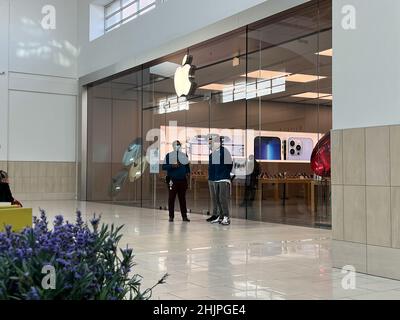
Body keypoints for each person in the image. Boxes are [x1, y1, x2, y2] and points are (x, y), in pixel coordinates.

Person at [207, 135, 233, 226]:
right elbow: (212, 168)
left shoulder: (224, 152)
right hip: (215, 179)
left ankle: (226, 216)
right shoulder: (213, 153)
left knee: (222, 198)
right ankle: (221, 216)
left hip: (223, 178)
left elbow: (229, 165)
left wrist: (225, 174)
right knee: (217, 198)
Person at [162, 140, 191, 222]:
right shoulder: (169, 155)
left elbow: (187, 166)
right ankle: (171, 216)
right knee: (171, 198)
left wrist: (188, 172)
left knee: (182, 198)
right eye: (176, 145)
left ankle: (184, 216)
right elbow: (164, 167)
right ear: (173, 146)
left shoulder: (184, 155)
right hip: (172, 180)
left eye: (179, 145)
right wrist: (172, 165)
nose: (177, 146)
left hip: (182, 180)